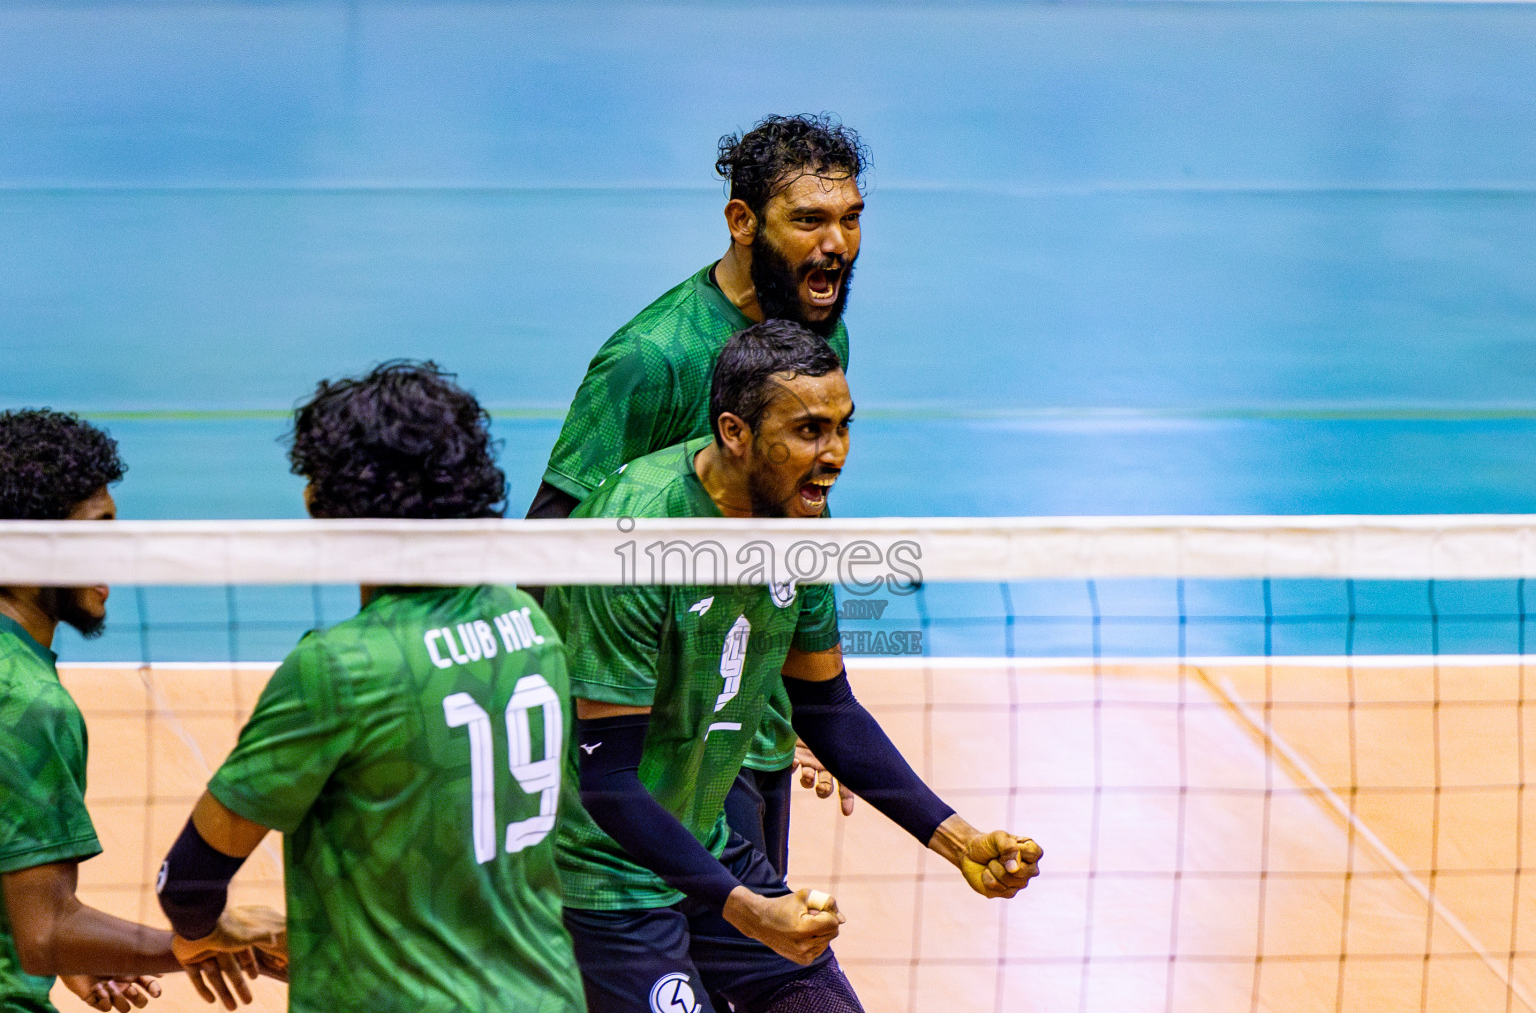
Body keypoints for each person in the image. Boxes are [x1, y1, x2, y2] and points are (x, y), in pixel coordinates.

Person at [547, 323, 1042, 1013]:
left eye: (842, 428)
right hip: (605, 877)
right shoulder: (634, 538)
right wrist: (745, 908)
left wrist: (957, 840)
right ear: (734, 431)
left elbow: (826, 706)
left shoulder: (798, 517)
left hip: (706, 846)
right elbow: (608, 782)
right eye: (809, 431)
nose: (833, 455)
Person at [154, 362, 587, 1013]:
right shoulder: (528, 622)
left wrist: (200, 931)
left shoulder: (339, 669)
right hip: (544, 992)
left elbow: (188, 882)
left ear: (323, 505)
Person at [529, 113, 868, 877]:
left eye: (850, 219)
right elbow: (549, 546)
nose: (836, 244)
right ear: (742, 222)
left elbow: (792, 524)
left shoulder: (818, 337)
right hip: (647, 734)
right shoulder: (651, 359)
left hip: (754, 725)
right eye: (809, 220)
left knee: (757, 957)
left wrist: (813, 697)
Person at [0, 409, 262, 1013]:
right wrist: (196, 943)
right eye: (97, 530)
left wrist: (79, 953)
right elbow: (44, 933)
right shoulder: (28, 703)